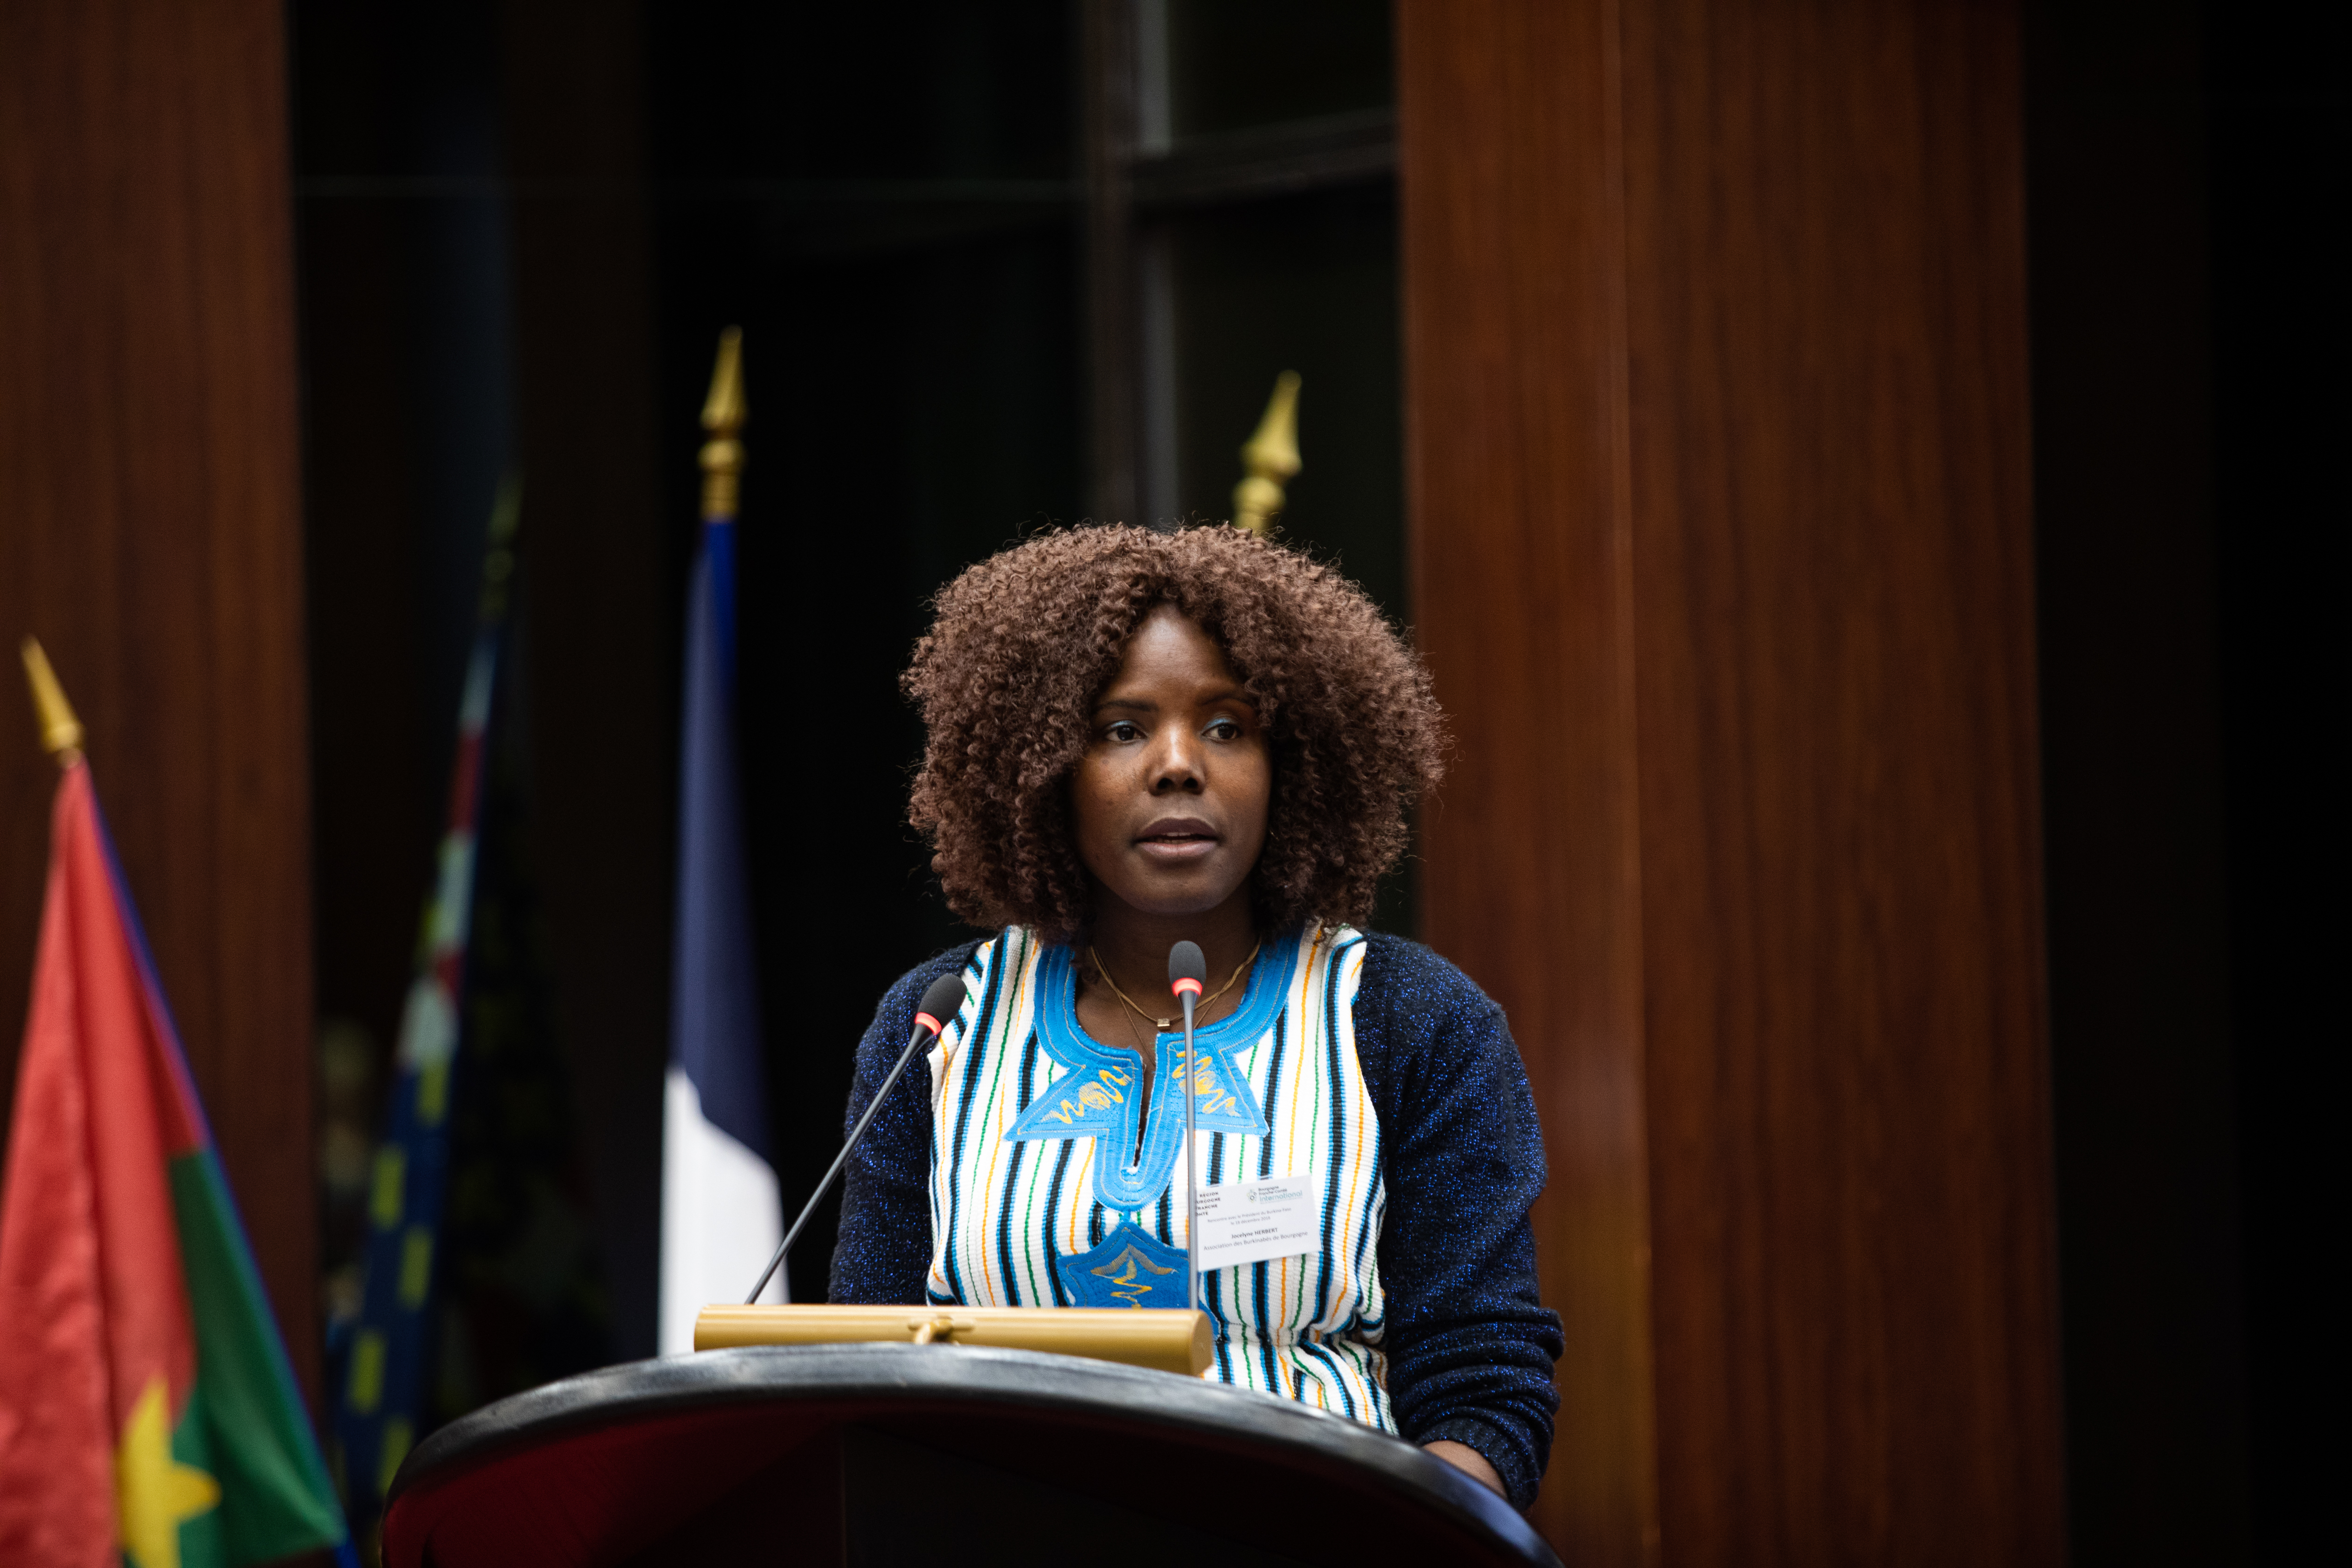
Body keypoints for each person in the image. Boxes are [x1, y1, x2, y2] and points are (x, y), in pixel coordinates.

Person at [828, 524, 1562, 1507]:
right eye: (1122, 728)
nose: (1179, 765)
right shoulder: (938, 1026)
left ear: (1292, 764)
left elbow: (1483, 1392)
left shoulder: (1412, 1023)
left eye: (1227, 727)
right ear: (1042, 769)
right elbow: (865, 1375)